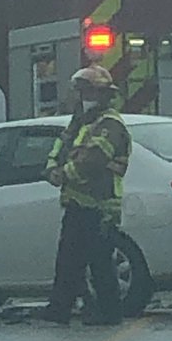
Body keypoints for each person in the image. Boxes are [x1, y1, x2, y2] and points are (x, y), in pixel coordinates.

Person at [41, 64, 131, 325]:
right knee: (69, 262)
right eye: (82, 92)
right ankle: (61, 310)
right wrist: (51, 169)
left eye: (90, 92)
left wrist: (64, 173)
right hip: (77, 203)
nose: (85, 97)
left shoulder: (110, 124)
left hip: (100, 207)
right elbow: (61, 147)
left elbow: (93, 160)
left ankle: (107, 313)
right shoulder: (80, 121)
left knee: (99, 264)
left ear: (104, 95)